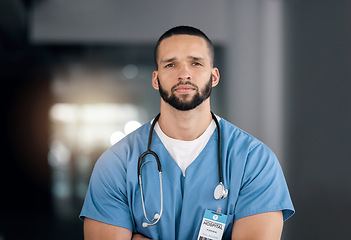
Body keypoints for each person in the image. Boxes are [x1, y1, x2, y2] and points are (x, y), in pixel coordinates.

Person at [80, 26, 294, 240]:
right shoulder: (116, 163)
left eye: (196, 63)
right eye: (171, 64)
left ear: (214, 76)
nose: (184, 74)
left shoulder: (254, 160)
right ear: (156, 79)